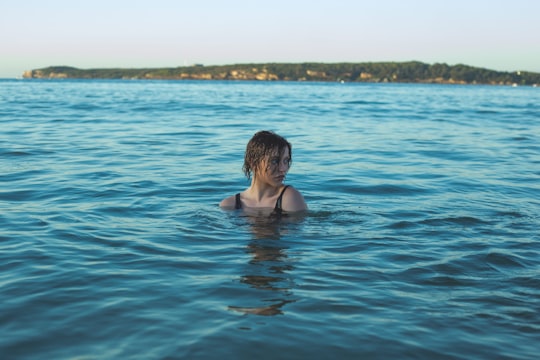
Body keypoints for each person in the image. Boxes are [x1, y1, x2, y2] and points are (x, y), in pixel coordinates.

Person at [220, 130, 307, 215]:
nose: (283, 169)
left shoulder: (290, 198)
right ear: (253, 163)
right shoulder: (229, 205)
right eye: (274, 161)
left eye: (286, 161)